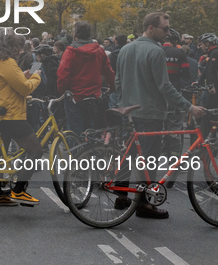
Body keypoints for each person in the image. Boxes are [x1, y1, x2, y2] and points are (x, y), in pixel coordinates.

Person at [115, 12, 204, 219]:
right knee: (149, 160)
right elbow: (165, 87)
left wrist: (123, 102)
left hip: (127, 110)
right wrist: (189, 107)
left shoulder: (125, 49)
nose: (168, 32)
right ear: (151, 28)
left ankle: (120, 194)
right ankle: (145, 204)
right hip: (150, 112)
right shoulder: (155, 52)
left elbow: (118, 81)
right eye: (165, 28)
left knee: (129, 154)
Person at [0, 29, 42, 206]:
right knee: (36, 150)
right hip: (12, 113)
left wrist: (20, 76)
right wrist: (36, 78)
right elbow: (24, 89)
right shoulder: (7, 62)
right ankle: (19, 190)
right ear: (10, 45)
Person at [57, 21, 115, 137]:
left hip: (75, 97)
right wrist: (112, 87)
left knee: (74, 132)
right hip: (94, 96)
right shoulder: (99, 51)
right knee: (91, 129)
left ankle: (76, 154)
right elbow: (108, 72)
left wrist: (61, 91)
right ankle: (90, 152)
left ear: (75, 34)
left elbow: (63, 75)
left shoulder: (70, 52)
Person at [162, 28, 191, 157]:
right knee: (175, 128)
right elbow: (186, 74)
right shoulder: (180, 53)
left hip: (157, 97)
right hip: (174, 95)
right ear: (175, 41)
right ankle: (175, 159)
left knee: (157, 128)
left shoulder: (155, 51)